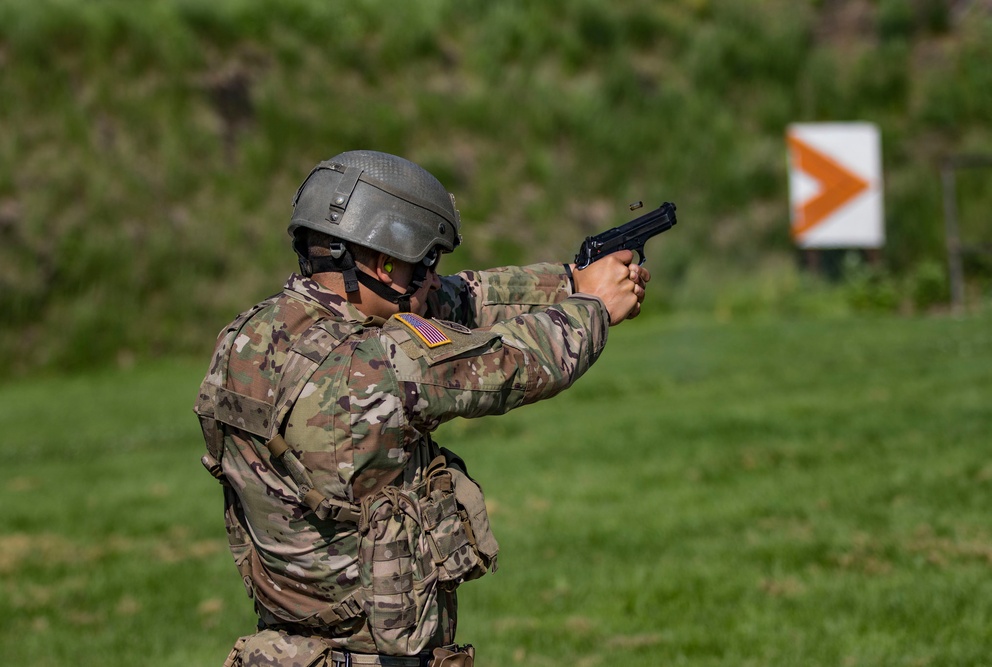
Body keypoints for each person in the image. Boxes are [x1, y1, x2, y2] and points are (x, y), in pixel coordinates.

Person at [194, 150, 650, 667]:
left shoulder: (244, 340)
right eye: (424, 262)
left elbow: (457, 300)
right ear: (384, 263)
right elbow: (522, 361)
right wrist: (593, 306)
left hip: (281, 651)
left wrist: (569, 279)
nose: (434, 278)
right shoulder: (385, 365)